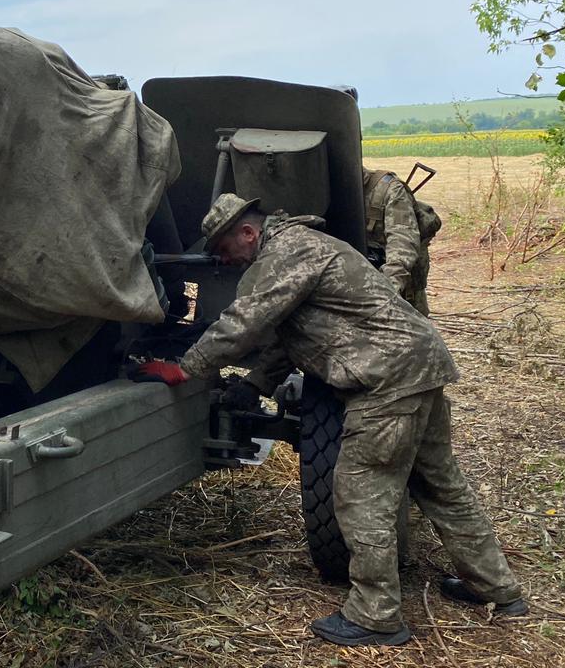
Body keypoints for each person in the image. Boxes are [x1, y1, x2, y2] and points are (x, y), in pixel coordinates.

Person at [132, 193, 526, 647]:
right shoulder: (303, 248)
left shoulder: (288, 251)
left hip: (387, 379)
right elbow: (290, 337)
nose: (225, 260)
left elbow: (247, 322)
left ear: (247, 232)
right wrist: (255, 385)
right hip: (417, 365)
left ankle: (376, 616)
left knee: (362, 492)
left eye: (224, 249)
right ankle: (494, 586)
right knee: (440, 484)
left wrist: (186, 367)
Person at [363, 166, 431, 314]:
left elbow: (403, 241)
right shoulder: (327, 190)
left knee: (412, 330)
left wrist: (389, 288)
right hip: (361, 280)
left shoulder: (389, 189)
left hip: (399, 283)